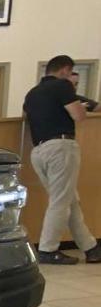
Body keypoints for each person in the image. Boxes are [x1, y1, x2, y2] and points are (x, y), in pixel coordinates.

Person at [24, 54, 101, 264]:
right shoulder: (62, 87)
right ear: (66, 70)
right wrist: (79, 106)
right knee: (60, 201)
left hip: (38, 151)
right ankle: (48, 250)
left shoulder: (32, 93)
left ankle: (91, 247)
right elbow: (79, 116)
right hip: (61, 147)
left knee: (69, 200)